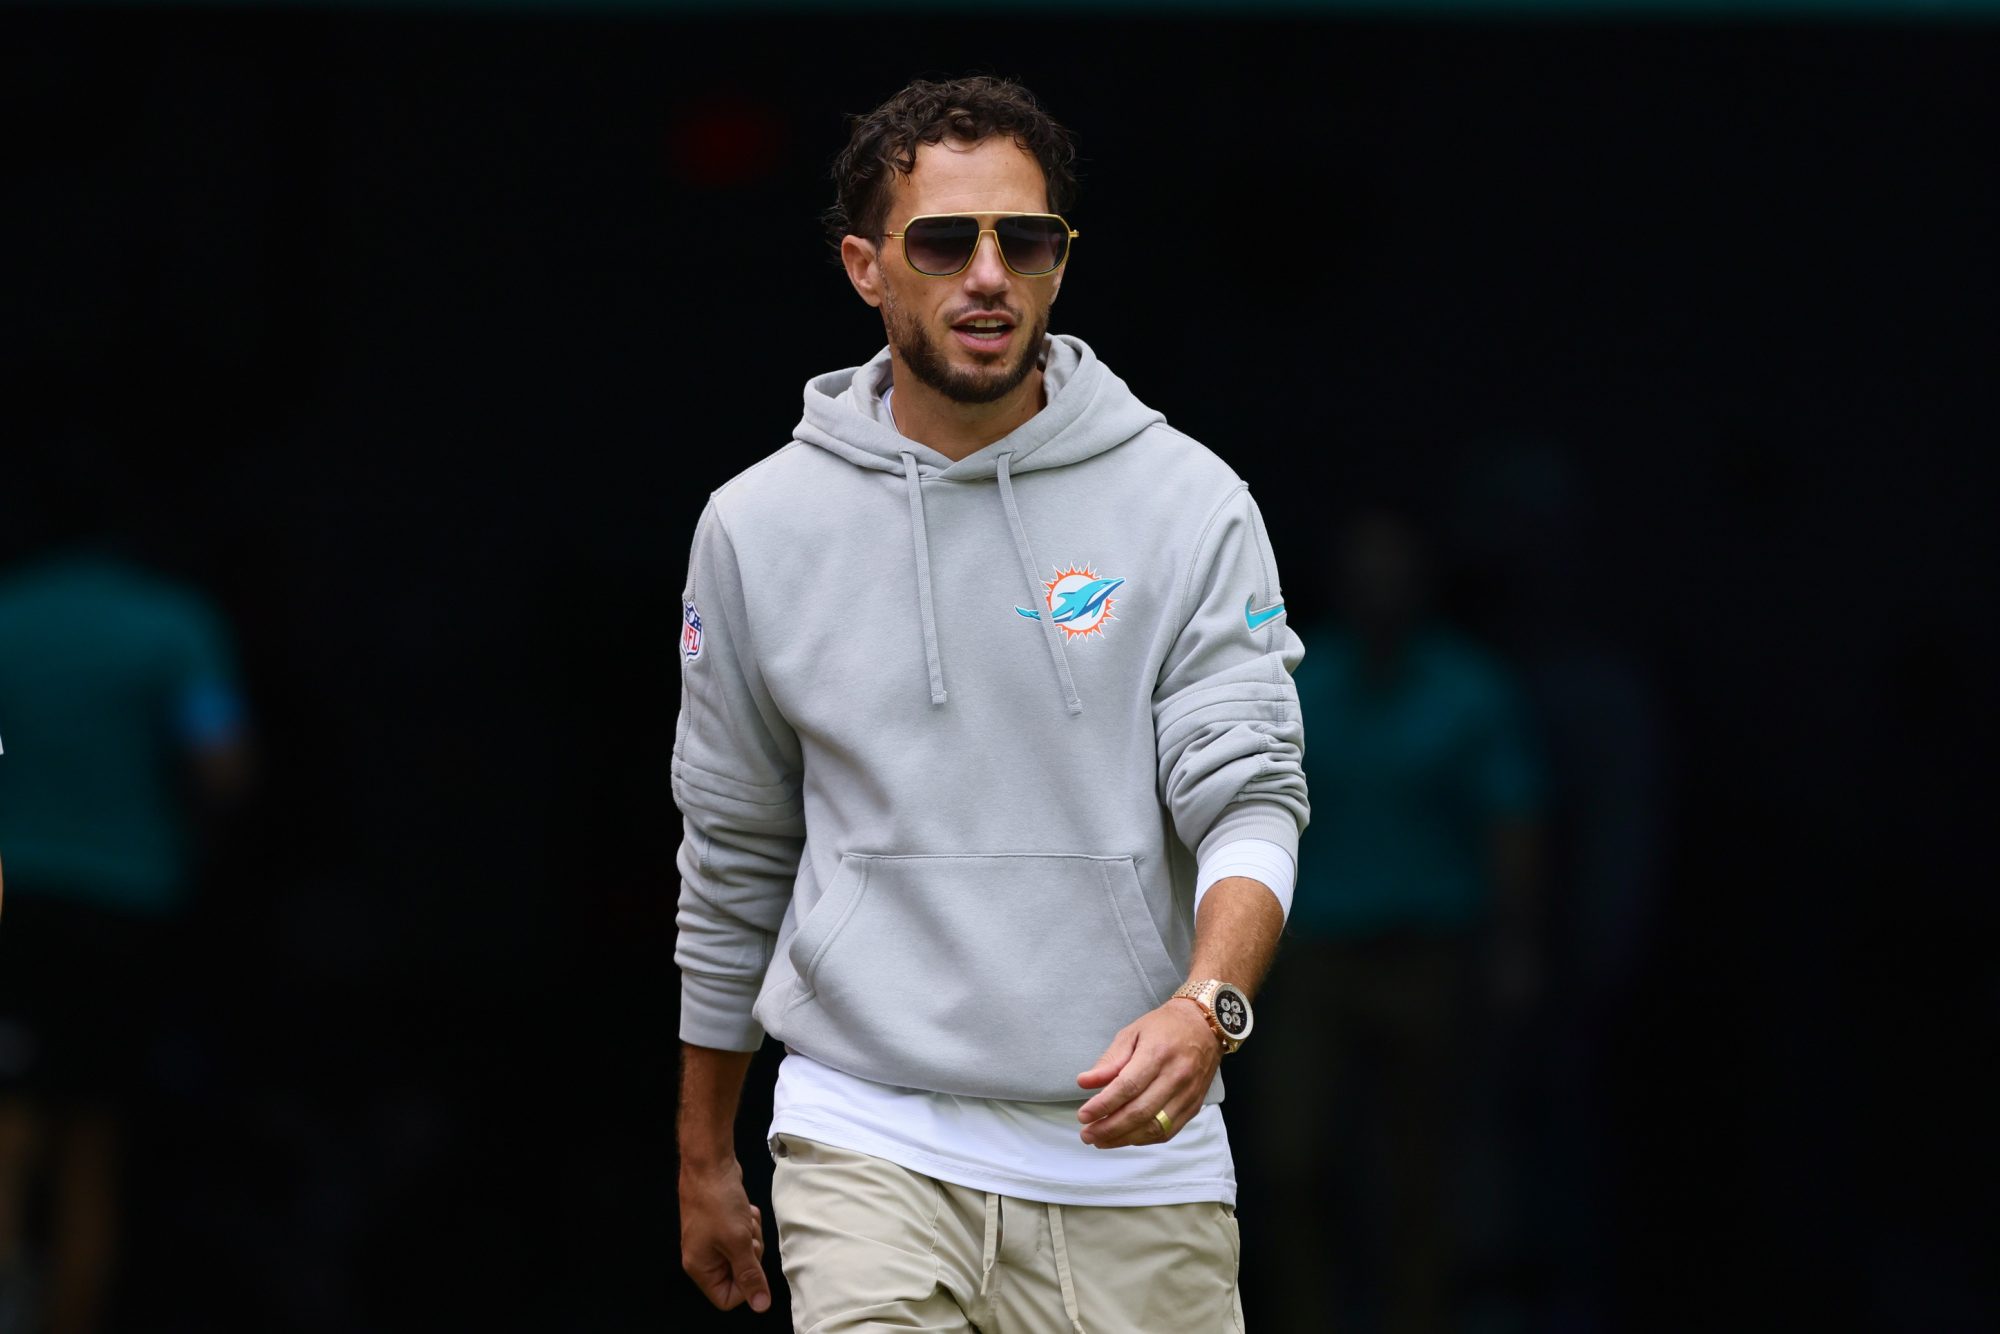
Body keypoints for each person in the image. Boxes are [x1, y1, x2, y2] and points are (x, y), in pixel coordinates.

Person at [672, 75, 1308, 1330]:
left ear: (1059, 266)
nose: (986, 274)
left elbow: (1251, 798)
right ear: (865, 267)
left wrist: (1208, 1006)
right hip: (868, 1134)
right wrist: (702, 1151)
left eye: (1023, 240)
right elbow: (733, 850)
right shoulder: (756, 526)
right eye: (942, 240)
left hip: (1135, 1158)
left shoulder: (1188, 500)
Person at [1240, 507, 1544, 1334]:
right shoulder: (1298, 678)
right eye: (1364, 569)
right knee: (1291, 1161)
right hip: (1310, 955)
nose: (1380, 587)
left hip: (1426, 952)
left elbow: (1511, 816)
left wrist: (1516, 941)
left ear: (1422, 581)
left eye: (1396, 569)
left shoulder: (1470, 688)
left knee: (1418, 1168)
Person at [0, 540, 252, 1334]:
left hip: (20, 901)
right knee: (94, 1139)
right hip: (129, 907)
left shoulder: (10, 616)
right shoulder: (174, 624)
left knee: (12, 1124)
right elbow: (224, 767)